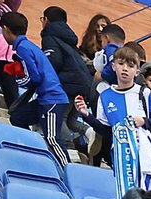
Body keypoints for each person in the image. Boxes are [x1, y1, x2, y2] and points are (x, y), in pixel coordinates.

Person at [77, 42, 151, 195]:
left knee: (147, 197)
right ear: (113, 67)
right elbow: (105, 130)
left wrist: (144, 122)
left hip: (145, 156)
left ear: (137, 72)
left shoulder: (144, 93)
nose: (125, 69)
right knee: (126, 197)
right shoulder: (105, 96)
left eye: (130, 66)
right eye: (121, 64)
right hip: (120, 156)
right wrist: (86, 115)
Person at [0, 12, 70, 170]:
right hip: (44, 99)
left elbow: (35, 78)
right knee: (17, 118)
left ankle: (69, 171)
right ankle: (34, 150)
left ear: (5, 29)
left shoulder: (23, 48)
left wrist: (17, 76)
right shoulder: (27, 45)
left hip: (52, 99)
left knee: (52, 138)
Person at [40, 7, 96, 156]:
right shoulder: (68, 38)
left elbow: (54, 61)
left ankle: (70, 150)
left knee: (61, 118)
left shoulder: (50, 35)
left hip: (68, 82)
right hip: (82, 82)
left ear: (46, 19)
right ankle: (89, 132)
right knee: (71, 119)